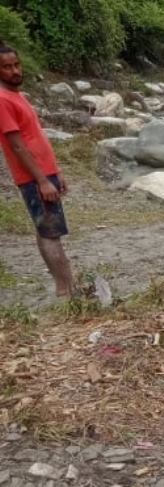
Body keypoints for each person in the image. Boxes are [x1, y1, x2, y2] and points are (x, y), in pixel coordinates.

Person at [0, 44, 74, 297]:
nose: (14, 71)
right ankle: (66, 291)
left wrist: (57, 172)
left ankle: (64, 288)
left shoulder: (16, 95)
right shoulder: (2, 100)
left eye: (16, 65)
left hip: (45, 173)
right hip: (34, 178)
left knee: (47, 229)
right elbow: (18, 146)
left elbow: (36, 137)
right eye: (7, 67)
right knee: (50, 232)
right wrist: (42, 181)